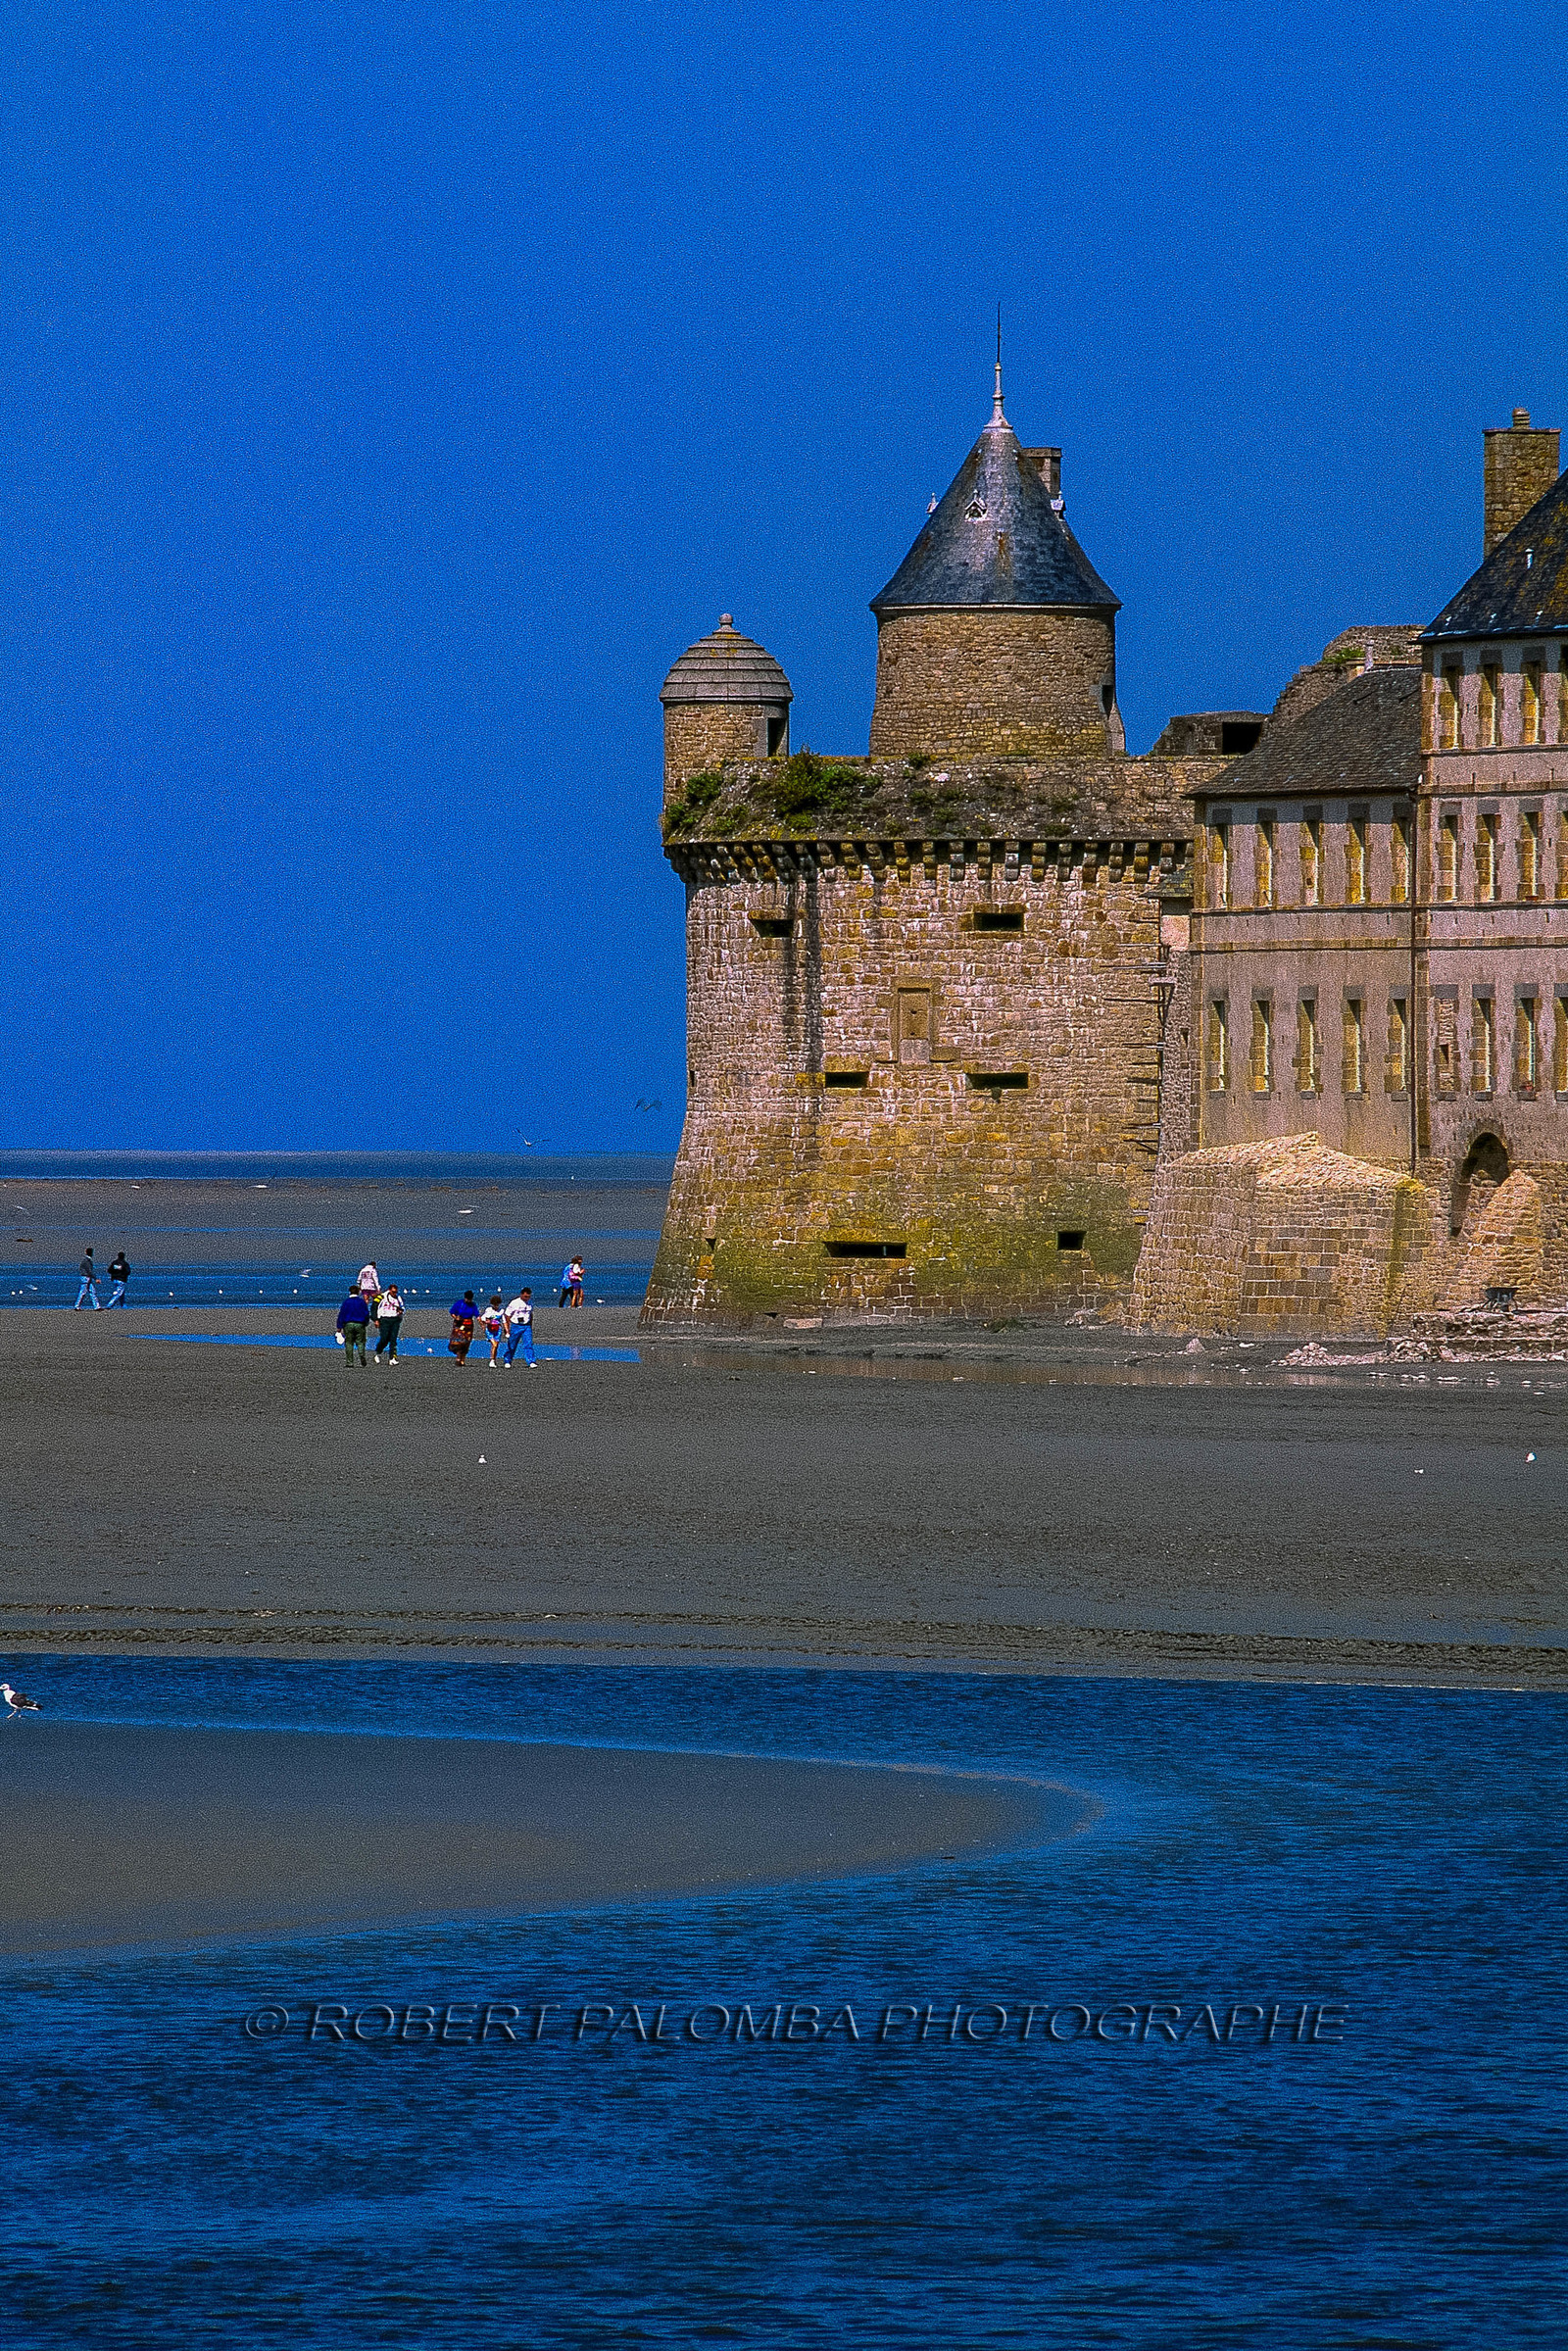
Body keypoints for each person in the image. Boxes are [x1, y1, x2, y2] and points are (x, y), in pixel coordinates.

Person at [336, 1286, 370, 1365]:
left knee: (349, 1342)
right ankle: (361, 1355)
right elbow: (366, 1313)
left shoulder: (346, 1302)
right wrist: (366, 1323)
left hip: (348, 1324)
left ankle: (350, 1362)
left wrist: (339, 1327)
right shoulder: (361, 1302)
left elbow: (342, 1314)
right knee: (360, 1342)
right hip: (360, 1323)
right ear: (358, 1292)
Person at [503, 1287, 536, 1367]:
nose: (527, 1298)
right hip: (516, 1325)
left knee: (528, 1344)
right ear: (521, 1295)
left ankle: (531, 1361)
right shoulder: (514, 1303)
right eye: (525, 1296)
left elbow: (530, 1314)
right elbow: (507, 1315)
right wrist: (507, 1329)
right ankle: (507, 1360)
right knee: (512, 1344)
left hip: (526, 1326)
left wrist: (530, 1325)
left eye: (528, 1297)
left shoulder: (530, 1303)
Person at [373, 1281, 404, 1362]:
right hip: (384, 1320)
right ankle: (378, 1352)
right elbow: (374, 1307)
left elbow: (402, 1307)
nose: (395, 1294)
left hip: (395, 1320)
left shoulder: (398, 1298)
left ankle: (392, 1358)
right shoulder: (382, 1297)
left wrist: (400, 1311)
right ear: (389, 1290)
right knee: (384, 1338)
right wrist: (376, 1319)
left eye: (396, 1292)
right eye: (393, 1292)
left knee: (393, 1339)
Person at [449, 1289, 477, 1365]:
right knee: (458, 1342)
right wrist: (456, 1318)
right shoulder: (459, 1303)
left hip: (468, 1325)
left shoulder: (473, 1305)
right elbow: (452, 1312)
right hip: (459, 1324)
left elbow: (477, 1314)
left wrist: (482, 1323)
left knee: (467, 1342)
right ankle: (458, 1358)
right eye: (467, 1299)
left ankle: (463, 1360)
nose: (468, 1300)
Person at [482, 1293, 506, 1368]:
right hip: (490, 1330)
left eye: (497, 1304)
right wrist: (486, 1322)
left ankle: (493, 1359)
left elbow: (504, 1321)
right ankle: (492, 1361)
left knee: (495, 1346)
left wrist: (507, 1330)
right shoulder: (488, 1310)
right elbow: (483, 1318)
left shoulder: (501, 1311)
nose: (496, 1306)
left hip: (497, 1330)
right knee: (494, 1345)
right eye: (495, 1304)